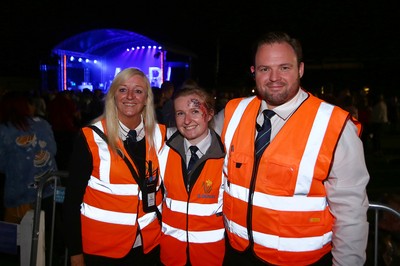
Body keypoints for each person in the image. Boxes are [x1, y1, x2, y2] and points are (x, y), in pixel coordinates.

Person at [217, 31, 370, 265]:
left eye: (284, 68)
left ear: (300, 70)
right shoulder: (233, 112)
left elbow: (351, 215)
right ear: (253, 72)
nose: (274, 77)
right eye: (264, 69)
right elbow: (192, 136)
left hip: (301, 260)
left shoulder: (335, 125)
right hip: (237, 254)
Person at [63, 67, 166, 266]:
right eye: (122, 89)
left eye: (138, 91)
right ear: (113, 96)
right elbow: (71, 202)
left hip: (149, 246)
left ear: (146, 98)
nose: (130, 96)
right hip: (103, 250)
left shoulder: (161, 135)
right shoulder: (90, 137)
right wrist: (75, 253)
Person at [158, 85, 226, 265]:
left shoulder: (227, 157)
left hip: (210, 256)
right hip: (171, 255)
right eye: (180, 113)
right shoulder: (164, 151)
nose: (187, 120)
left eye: (195, 111)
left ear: (210, 113)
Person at [0, 90, 58, 224]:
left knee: (19, 237)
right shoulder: (42, 124)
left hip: (19, 193)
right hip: (48, 188)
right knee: (47, 233)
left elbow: (2, 165)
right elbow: (53, 150)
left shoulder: (4, 130)